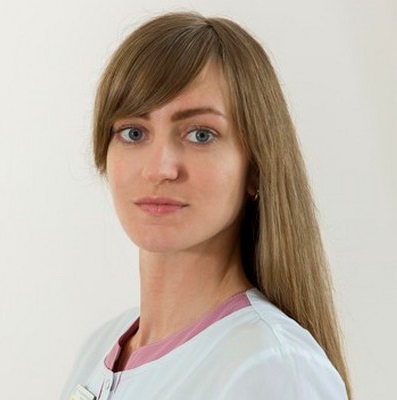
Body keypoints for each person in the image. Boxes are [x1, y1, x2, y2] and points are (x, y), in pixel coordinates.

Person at [61, 12, 351, 400]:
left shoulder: (274, 369)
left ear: (255, 169)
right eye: (133, 133)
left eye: (200, 135)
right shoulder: (98, 348)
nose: (159, 169)